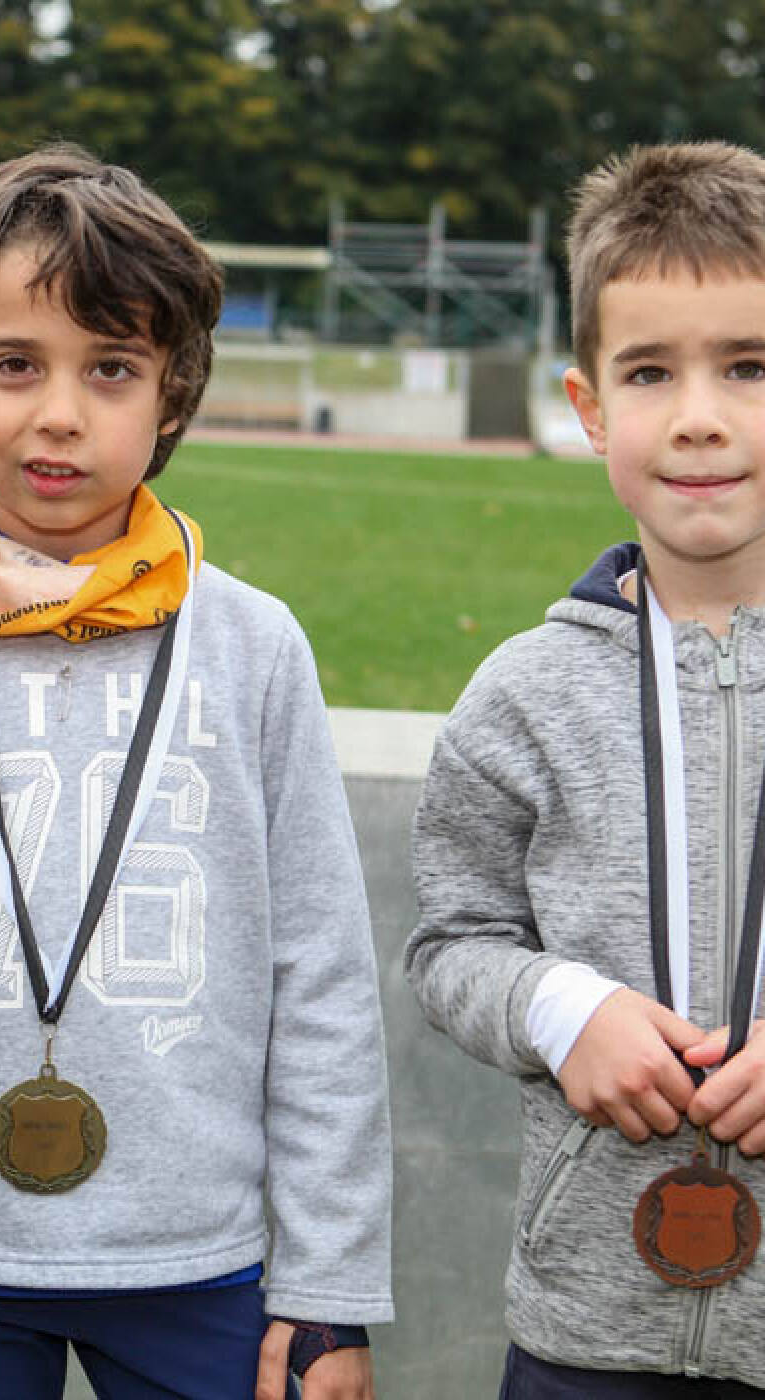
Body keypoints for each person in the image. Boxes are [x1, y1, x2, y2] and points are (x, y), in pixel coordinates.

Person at [0, 143, 393, 1400]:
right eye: (12, 364)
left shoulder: (253, 648)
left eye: (110, 368)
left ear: (172, 390)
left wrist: (329, 1286)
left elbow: (320, 984)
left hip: (200, 1255)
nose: (58, 413)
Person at [407, 140, 765, 1397]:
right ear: (588, 405)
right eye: (649, 370)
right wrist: (561, 1008)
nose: (699, 414)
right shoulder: (523, 692)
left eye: (747, 366)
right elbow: (449, 943)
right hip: (582, 1334)